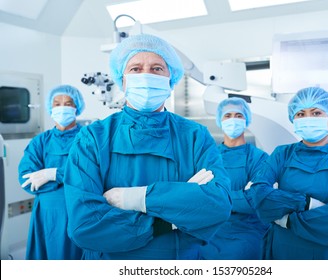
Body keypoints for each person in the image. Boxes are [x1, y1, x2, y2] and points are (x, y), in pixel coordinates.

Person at [63, 33, 232, 260]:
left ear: (171, 79)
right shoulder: (93, 138)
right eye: (135, 69)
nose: (146, 75)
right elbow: (85, 225)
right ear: (122, 80)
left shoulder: (194, 136)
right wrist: (169, 220)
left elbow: (218, 204)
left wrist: (139, 198)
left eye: (157, 69)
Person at [245, 87, 328, 259]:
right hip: (282, 251)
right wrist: (306, 203)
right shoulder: (282, 154)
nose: (308, 118)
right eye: (301, 114)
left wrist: (287, 220)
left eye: (316, 113)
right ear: (293, 119)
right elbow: (258, 195)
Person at [18, 85, 85, 260]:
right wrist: (68, 180)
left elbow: (90, 172)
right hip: (47, 215)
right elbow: (26, 177)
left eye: (68, 103)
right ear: (50, 108)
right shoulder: (41, 141)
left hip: (79, 211)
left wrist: (53, 174)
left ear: (77, 107)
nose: (62, 107)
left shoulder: (87, 137)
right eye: (57, 103)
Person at [199, 97, 270, 260]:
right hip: (209, 232)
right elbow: (198, 196)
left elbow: (256, 199)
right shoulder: (209, 157)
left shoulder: (259, 158)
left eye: (239, 115)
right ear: (219, 120)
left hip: (247, 233)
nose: (233, 120)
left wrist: (214, 196)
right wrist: (239, 196)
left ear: (247, 120)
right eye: (227, 115)